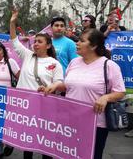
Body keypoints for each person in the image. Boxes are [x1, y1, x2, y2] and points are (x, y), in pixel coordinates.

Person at [45, 29, 126, 159]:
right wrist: (54, 86)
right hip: (70, 121)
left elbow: (120, 92)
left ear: (93, 46)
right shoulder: (74, 62)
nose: (77, 43)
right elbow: (68, 86)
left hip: (96, 124)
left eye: (82, 41)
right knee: (69, 154)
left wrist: (106, 97)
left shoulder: (109, 65)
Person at [10, 9, 63, 159]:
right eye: (34, 42)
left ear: (48, 45)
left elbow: (60, 83)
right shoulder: (27, 55)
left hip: (45, 108)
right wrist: (12, 22)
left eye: (39, 42)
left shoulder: (54, 63)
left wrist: (50, 88)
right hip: (26, 107)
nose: (35, 44)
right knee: (28, 140)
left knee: (45, 140)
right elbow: (14, 40)